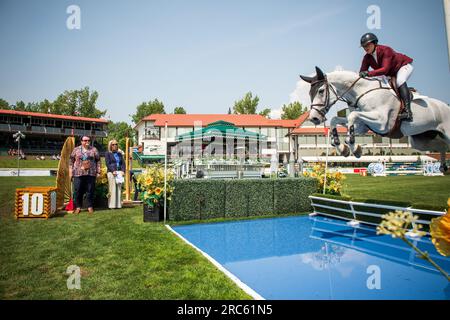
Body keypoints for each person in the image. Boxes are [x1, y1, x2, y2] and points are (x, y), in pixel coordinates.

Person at [359, 33, 414, 121]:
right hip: (390, 73)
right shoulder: (367, 57)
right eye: (363, 46)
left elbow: (385, 69)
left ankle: (408, 112)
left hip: (403, 66)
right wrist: (361, 74)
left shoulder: (386, 50)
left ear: (374, 43)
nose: (365, 48)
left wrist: (368, 73)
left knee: (400, 80)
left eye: (367, 45)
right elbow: (362, 71)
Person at [69, 135, 100, 214]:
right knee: (78, 190)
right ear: (81, 141)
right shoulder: (76, 149)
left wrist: (98, 171)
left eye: (88, 140)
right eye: (85, 140)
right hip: (78, 173)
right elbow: (71, 161)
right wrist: (70, 171)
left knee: (90, 190)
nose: (87, 142)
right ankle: (78, 206)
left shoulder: (94, 149)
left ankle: (90, 206)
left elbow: (98, 160)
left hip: (91, 173)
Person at [105, 139, 124, 209]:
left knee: (119, 189)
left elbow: (123, 163)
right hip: (111, 173)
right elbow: (107, 163)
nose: (115, 145)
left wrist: (123, 171)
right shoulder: (107, 153)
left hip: (119, 173)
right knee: (112, 189)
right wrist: (113, 171)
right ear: (110, 145)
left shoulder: (119, 153)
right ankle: (112, 205)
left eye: (116, 144)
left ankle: (118, 205)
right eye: (113, 144)